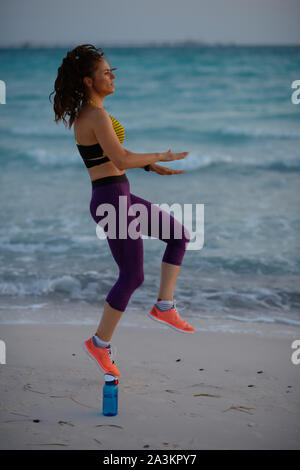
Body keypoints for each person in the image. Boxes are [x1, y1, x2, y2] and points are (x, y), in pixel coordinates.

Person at [49, 44, 195, 378]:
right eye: (105, 72)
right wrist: (161, 155)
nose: (112, 76)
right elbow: (120, 161)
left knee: (178, 236)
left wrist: (150, 168)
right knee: (132, 275)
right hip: (111, 199)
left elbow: (118, 154)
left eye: (112, 71)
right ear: (88, 81)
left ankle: (164, 306)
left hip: (118, 194)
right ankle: (99, 344)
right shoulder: (94, 115)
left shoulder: (93, 114)